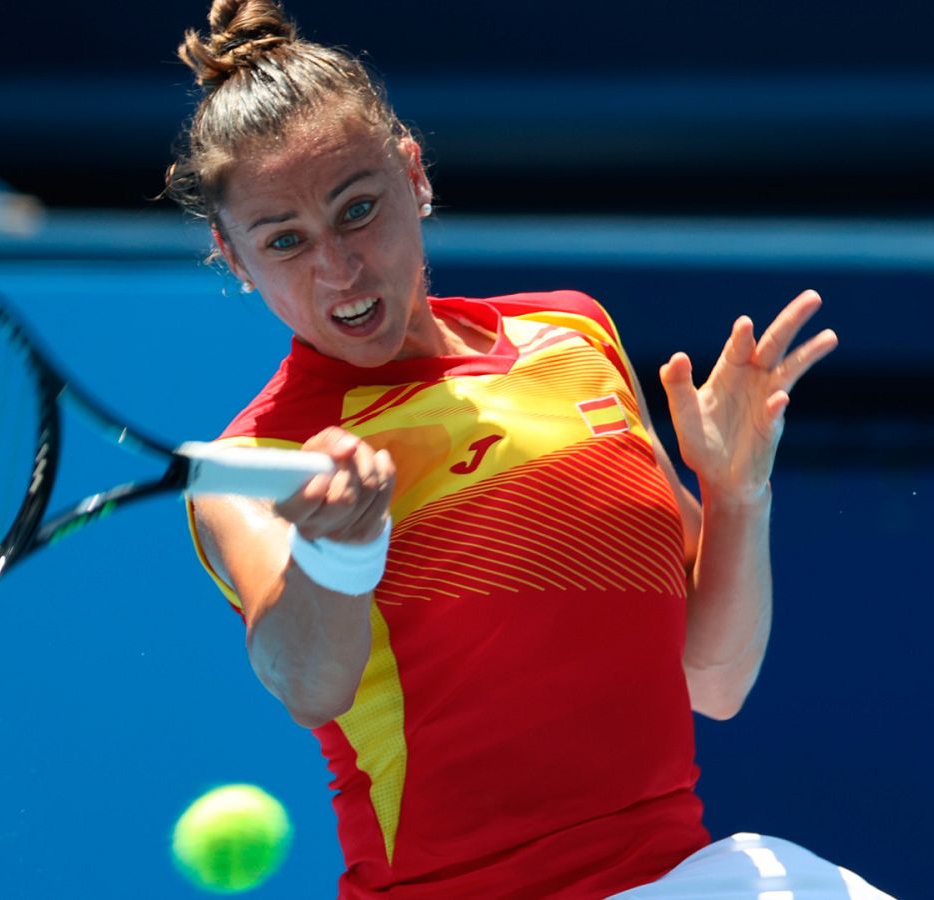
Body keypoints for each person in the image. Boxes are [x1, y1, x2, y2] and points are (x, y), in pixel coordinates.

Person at [169, 2, 894, 897]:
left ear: (413, 174)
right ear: (233, 257)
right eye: (285, 242)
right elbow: (306, 682)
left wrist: (738, 494)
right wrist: (334, 552)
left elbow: (713, 678)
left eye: (359, 211)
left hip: (676, 875)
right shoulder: (257, 464)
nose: (339, 269)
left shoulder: (571, 330)